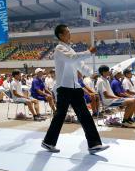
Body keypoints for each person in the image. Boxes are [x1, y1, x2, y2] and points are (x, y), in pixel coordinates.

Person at [42, 24, 109, 154]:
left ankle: (94, 144)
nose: (70, 34)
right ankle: (48, 142)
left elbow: (80, 64)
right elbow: (72, 58)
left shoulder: (69, 49)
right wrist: (89, 52)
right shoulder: (59, 49)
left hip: (75, 87)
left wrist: (90, 73)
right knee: (60, 116)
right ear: (60, 35)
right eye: (67, 32)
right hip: (64, 88)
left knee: (85, 115)